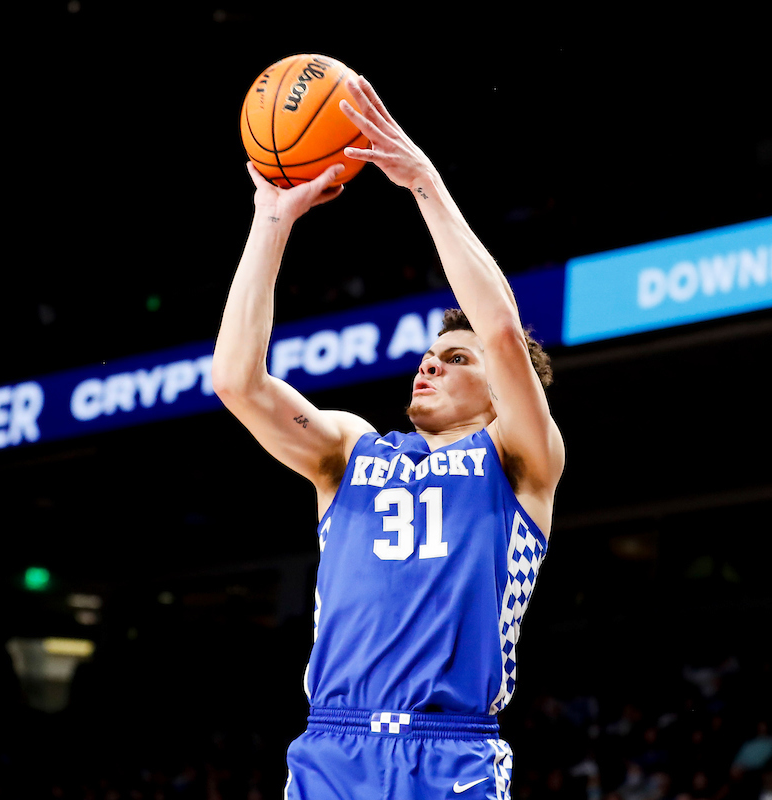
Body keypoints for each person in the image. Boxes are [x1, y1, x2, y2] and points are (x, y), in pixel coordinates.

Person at [213, 74, 565, 800]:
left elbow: (500, 329)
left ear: (502, 393)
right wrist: (270, 219)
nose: (431, 363)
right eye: (430, 356)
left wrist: (423, 184)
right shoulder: (351, 451)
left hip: (450, 755)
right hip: (331, 746)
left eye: (456, 360)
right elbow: (235, 383)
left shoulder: (520, 459)